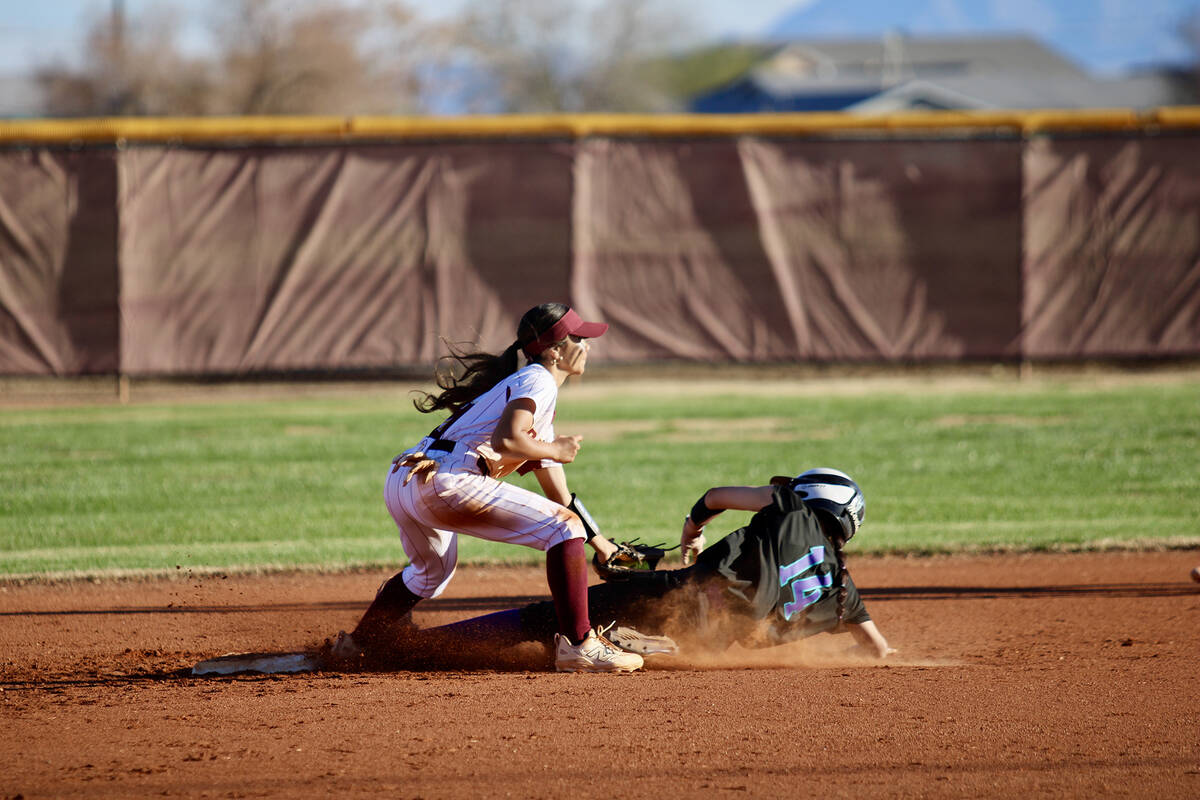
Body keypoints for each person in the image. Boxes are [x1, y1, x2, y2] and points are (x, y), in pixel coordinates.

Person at [328, 302, 642, 673]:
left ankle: (357, 645)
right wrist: (556, 449)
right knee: (562, 528)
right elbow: (508, 440)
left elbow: (559, 494)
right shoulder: (539, 380)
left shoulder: (528, 387)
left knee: (431, 573)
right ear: (554, 350)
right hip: (445, 479)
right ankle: (580, 645)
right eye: (578, 338)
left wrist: (601, 543)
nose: (586, 345)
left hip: (406, 477)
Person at [352, 468, 895, 669]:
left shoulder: (789, 505)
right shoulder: (841, 585)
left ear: (808, 497)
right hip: (710, 637)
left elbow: (714, 495)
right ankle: (642, 636)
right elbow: (876, 650)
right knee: (629, 590)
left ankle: (409, 650)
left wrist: (692, 528)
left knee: (548, 616)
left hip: (687, 592)